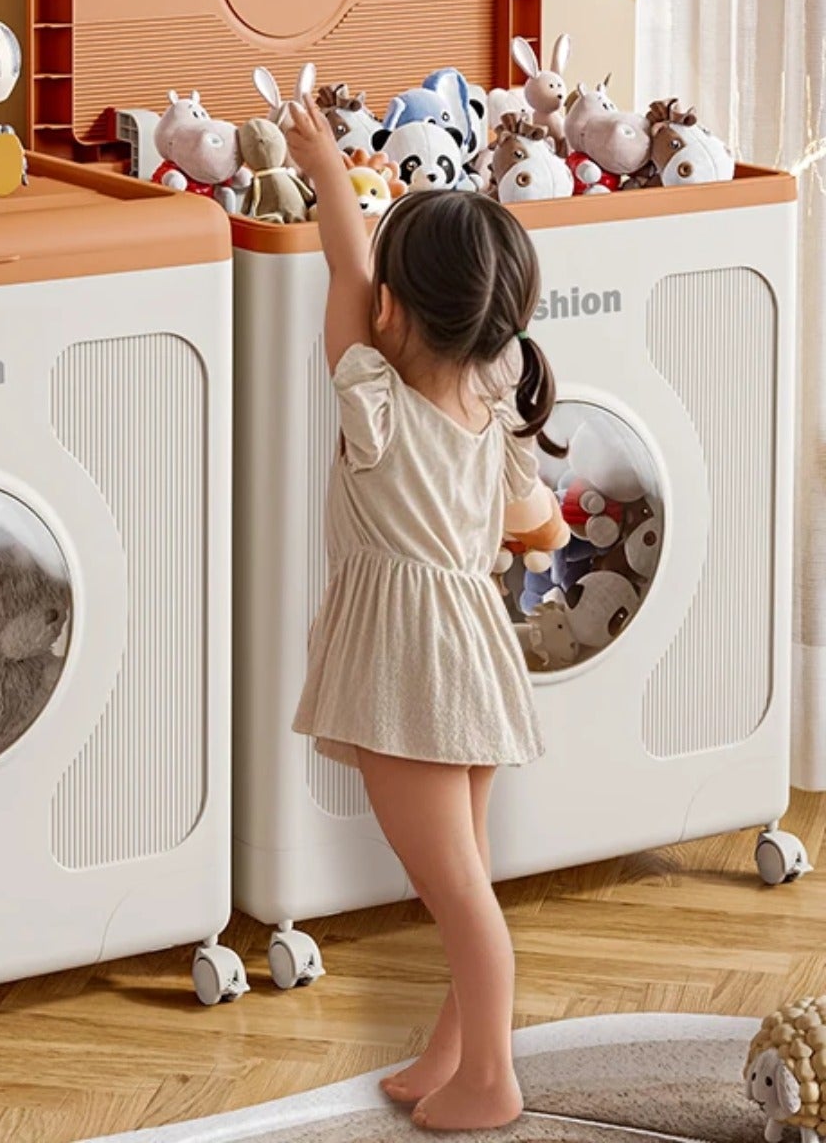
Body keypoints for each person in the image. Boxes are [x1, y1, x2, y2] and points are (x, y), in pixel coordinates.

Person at [282, 97, 565, 1133]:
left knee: (456, 891)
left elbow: (345, 274)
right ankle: (453, 1051)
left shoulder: (376, 405)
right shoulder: (489, 409)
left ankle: (491, 1075)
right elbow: (537, 526)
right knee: (465, 874)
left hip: (410, 672)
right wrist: (542, 538)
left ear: (393, 312)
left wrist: (325, 167)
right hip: (472, 653)